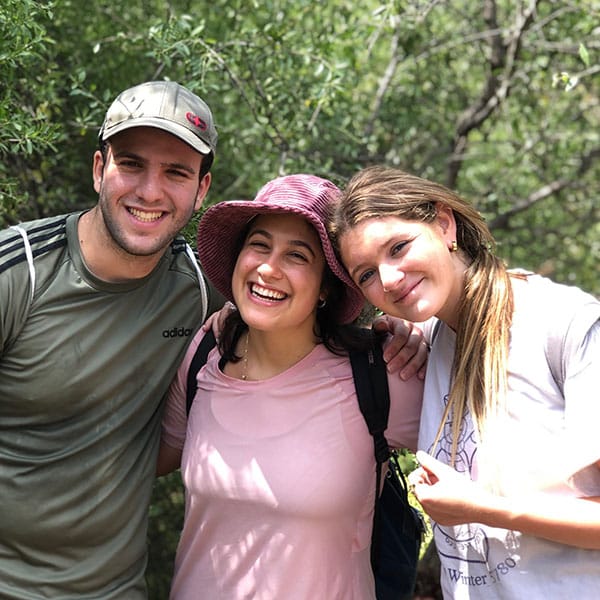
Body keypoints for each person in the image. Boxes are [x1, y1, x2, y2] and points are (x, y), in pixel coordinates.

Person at [329, 165, 600, 599]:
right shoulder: (434, 338)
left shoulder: (563, 325)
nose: (389, 279)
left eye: (398, 247)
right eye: (366, 274)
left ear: (443, 223)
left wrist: (483, 509)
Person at [0, 80, 225, 599]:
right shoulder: (21, 273)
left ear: (202, 188)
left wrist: (406, 334)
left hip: (113, 588)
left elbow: (302, 324)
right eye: (132, 164)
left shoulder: (196, 288)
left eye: (176, 172)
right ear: (100, 169)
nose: (150, 191)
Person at [157, 174, 425, 599]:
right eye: (259, 245)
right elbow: (138, 464)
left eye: (297, 255)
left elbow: (483, 455)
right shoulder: (201, 357)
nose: (268, 267)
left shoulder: (381, 373)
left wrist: (428, 331)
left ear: (325, 288)